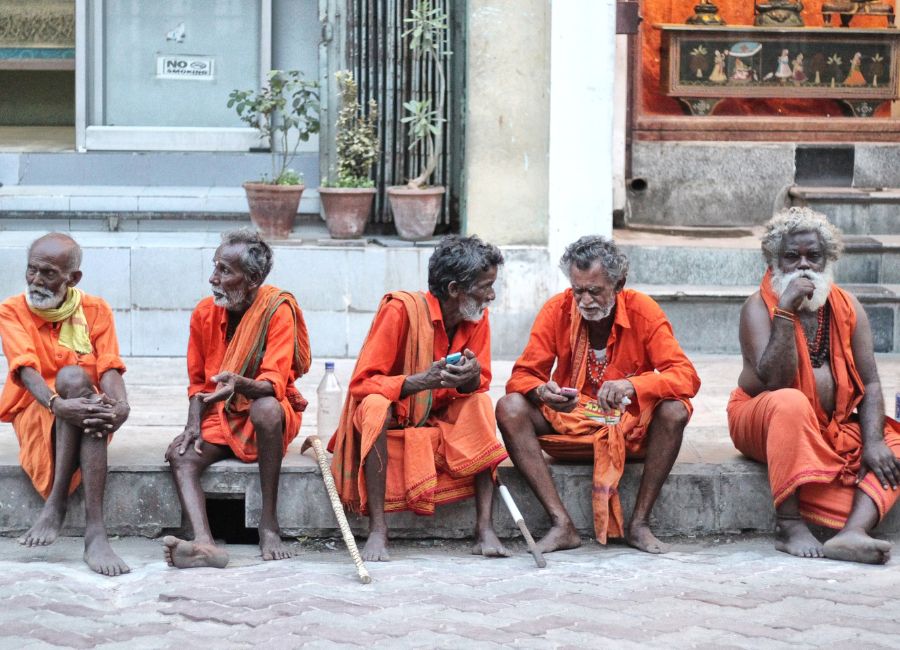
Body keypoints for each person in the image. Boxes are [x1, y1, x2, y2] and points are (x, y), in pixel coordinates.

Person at [497, 236, 700, 554]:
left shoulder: (643, 310)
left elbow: (686, 376)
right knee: (509, 406)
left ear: (619, 284)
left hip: (629, 431)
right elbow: (522, 377)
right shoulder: (557, 310)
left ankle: (639, 524)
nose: (585, 300)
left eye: (595, 291)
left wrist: (634, 385)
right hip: (571, 426)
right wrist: (541, 392)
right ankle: (562, 524)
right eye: (579, 290)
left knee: (675, 410)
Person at [729, 207, 900, 564]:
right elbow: (774, 381)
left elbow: (869, 381)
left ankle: (852, 532)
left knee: (891, 443)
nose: (803, 265)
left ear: (829, 260)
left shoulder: (848, 307)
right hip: (761, 420)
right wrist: (786, 311)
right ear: (775, 261)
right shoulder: (757, 309)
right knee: (790, 401)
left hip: (829, 428)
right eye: (792, 257)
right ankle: (789, 524)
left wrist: (873, 441)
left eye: (813, 256)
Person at [328, 235, 508, 562]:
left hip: (439, 419)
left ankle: (485, 528)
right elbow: (362, 384)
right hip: (395, 421)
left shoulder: (477, 316)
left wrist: (469, 380)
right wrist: (417, 383)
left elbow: (480, 384)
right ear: (454, 289)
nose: (491, 295)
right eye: (485, 286)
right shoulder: (400, 311)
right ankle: (379, 529)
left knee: (481, 403)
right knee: (374, 407)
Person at [163, 229, 310, 569]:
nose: (213, 278)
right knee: (181, 455)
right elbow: (198, 382)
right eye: (215, 267)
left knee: (267, 408)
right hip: (221, 414)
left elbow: (274, 383)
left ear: (254, 278)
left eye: (225, 271)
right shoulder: (204, 313)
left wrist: (240, 384)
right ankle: (204, 542)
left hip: (264, 416)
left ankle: (269, 525)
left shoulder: (277, 309)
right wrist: (193, 425)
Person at [0, 233, 130, 576]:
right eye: (32, 270)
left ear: (73, 279)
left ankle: (79, 520)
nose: (36, 280)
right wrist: (57, 405)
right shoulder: (12, 310)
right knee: (74, 385)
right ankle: (82, 521)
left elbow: (109, 366)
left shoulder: (95, 309)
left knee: (83, 392)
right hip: (37, 408)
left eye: (49, 274)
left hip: (83, 405)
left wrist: (121, 405)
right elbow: (25, 369)